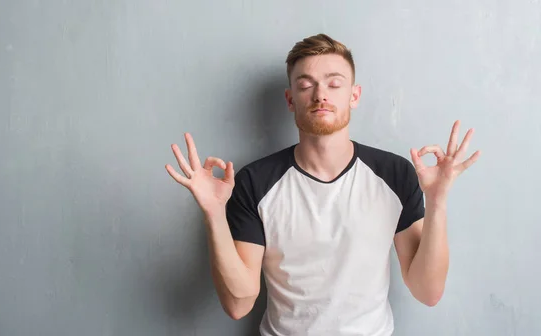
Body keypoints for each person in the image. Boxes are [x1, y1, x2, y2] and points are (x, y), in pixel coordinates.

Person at [165, 33, 481, 336]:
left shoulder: (395, 174)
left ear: (354, 95)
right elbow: (238, 304)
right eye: (306, 85)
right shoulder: (254, 181)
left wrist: (437, 201)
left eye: (334, 83)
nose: (321, 95)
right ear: (290, 99)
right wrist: (214, 212)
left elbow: (428, 291)